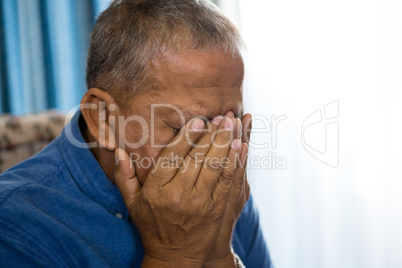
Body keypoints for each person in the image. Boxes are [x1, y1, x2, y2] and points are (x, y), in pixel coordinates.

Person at [0, 0, 272, 267]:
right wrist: (173, 256)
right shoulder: (13, 225)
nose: (218, 149)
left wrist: (220, 256)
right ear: (103, 119)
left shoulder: (221, 183)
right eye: (190, 128)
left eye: (230, 121)